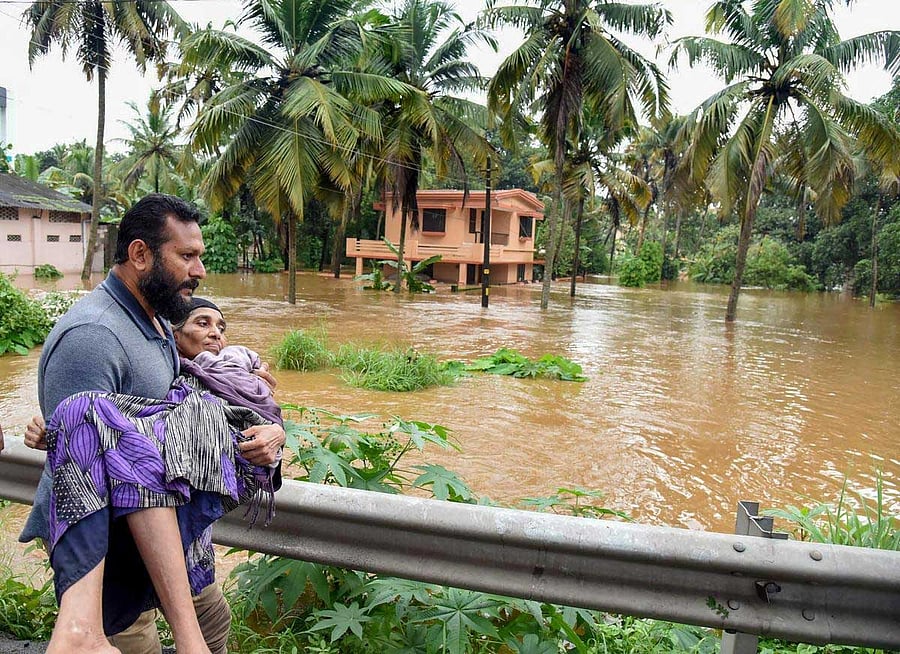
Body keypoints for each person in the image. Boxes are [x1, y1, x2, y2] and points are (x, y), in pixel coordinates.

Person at [19, 194, 284, 654]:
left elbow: (193, 410)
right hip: (117, 554)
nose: (199, 271)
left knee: (213, 628)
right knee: (137, 644)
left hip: (175, 537)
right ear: (140, 254)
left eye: (198, 256)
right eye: (187, 256)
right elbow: (76, 468)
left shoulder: (160, 320)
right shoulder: (92, 338)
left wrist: (271, 430)